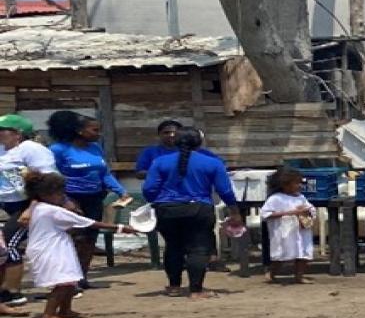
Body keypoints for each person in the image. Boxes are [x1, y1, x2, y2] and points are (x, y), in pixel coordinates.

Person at [139, 126, 242, 300]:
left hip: (167, 209)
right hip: (199, 209)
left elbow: (149, 189)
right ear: (199, 142)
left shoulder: (160, 162)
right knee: (198, 248)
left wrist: (156, 201)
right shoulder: (212, 162)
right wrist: (234, 211)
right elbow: (225, 190)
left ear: (176, 141)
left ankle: (174, 286)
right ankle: (196, 290)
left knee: (173, 246)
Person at [20, 173, 136, 318]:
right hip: (49, 249)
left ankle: (65, 310)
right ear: (46, 194)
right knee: (63, 282)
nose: (62, 197)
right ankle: (48, 315)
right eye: (59, 193)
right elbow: (88, 223)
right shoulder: (51, 210)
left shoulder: (40, 208)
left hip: (57, 246)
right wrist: (120, 227)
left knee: (71, 279)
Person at [46, 110, 127, 287]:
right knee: (75, 237)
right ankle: (66, 279)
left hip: (94, 197)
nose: (98, 134)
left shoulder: (95, 148)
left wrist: (121, 191)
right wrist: (64, 199)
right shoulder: (58, 150)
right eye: (94, 130)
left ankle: (82, 276)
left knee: (90, 237)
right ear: (80, 131)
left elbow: (104, 173)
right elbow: (53, 175)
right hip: (70, 198)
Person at [1, 114, 55, 309]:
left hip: (30, 203)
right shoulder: (1, 150)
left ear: (17, 133)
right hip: (7, 204)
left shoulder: (32, 150)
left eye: (2, 130)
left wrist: (31, 208)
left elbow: (47, 183)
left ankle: (13, 293)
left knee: (9, 245)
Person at [258, 168, 316, 284]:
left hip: (300, 230)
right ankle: (272, 273)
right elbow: (266, 214)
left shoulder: (300, 197)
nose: (299, 186)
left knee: (303, 254)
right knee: (280, 256)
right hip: (283, 232)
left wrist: (307, 211)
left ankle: (299, 276)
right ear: (285, 184)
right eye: (296, 183)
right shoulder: (275, 199)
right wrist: (289, 213)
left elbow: (311, 209)